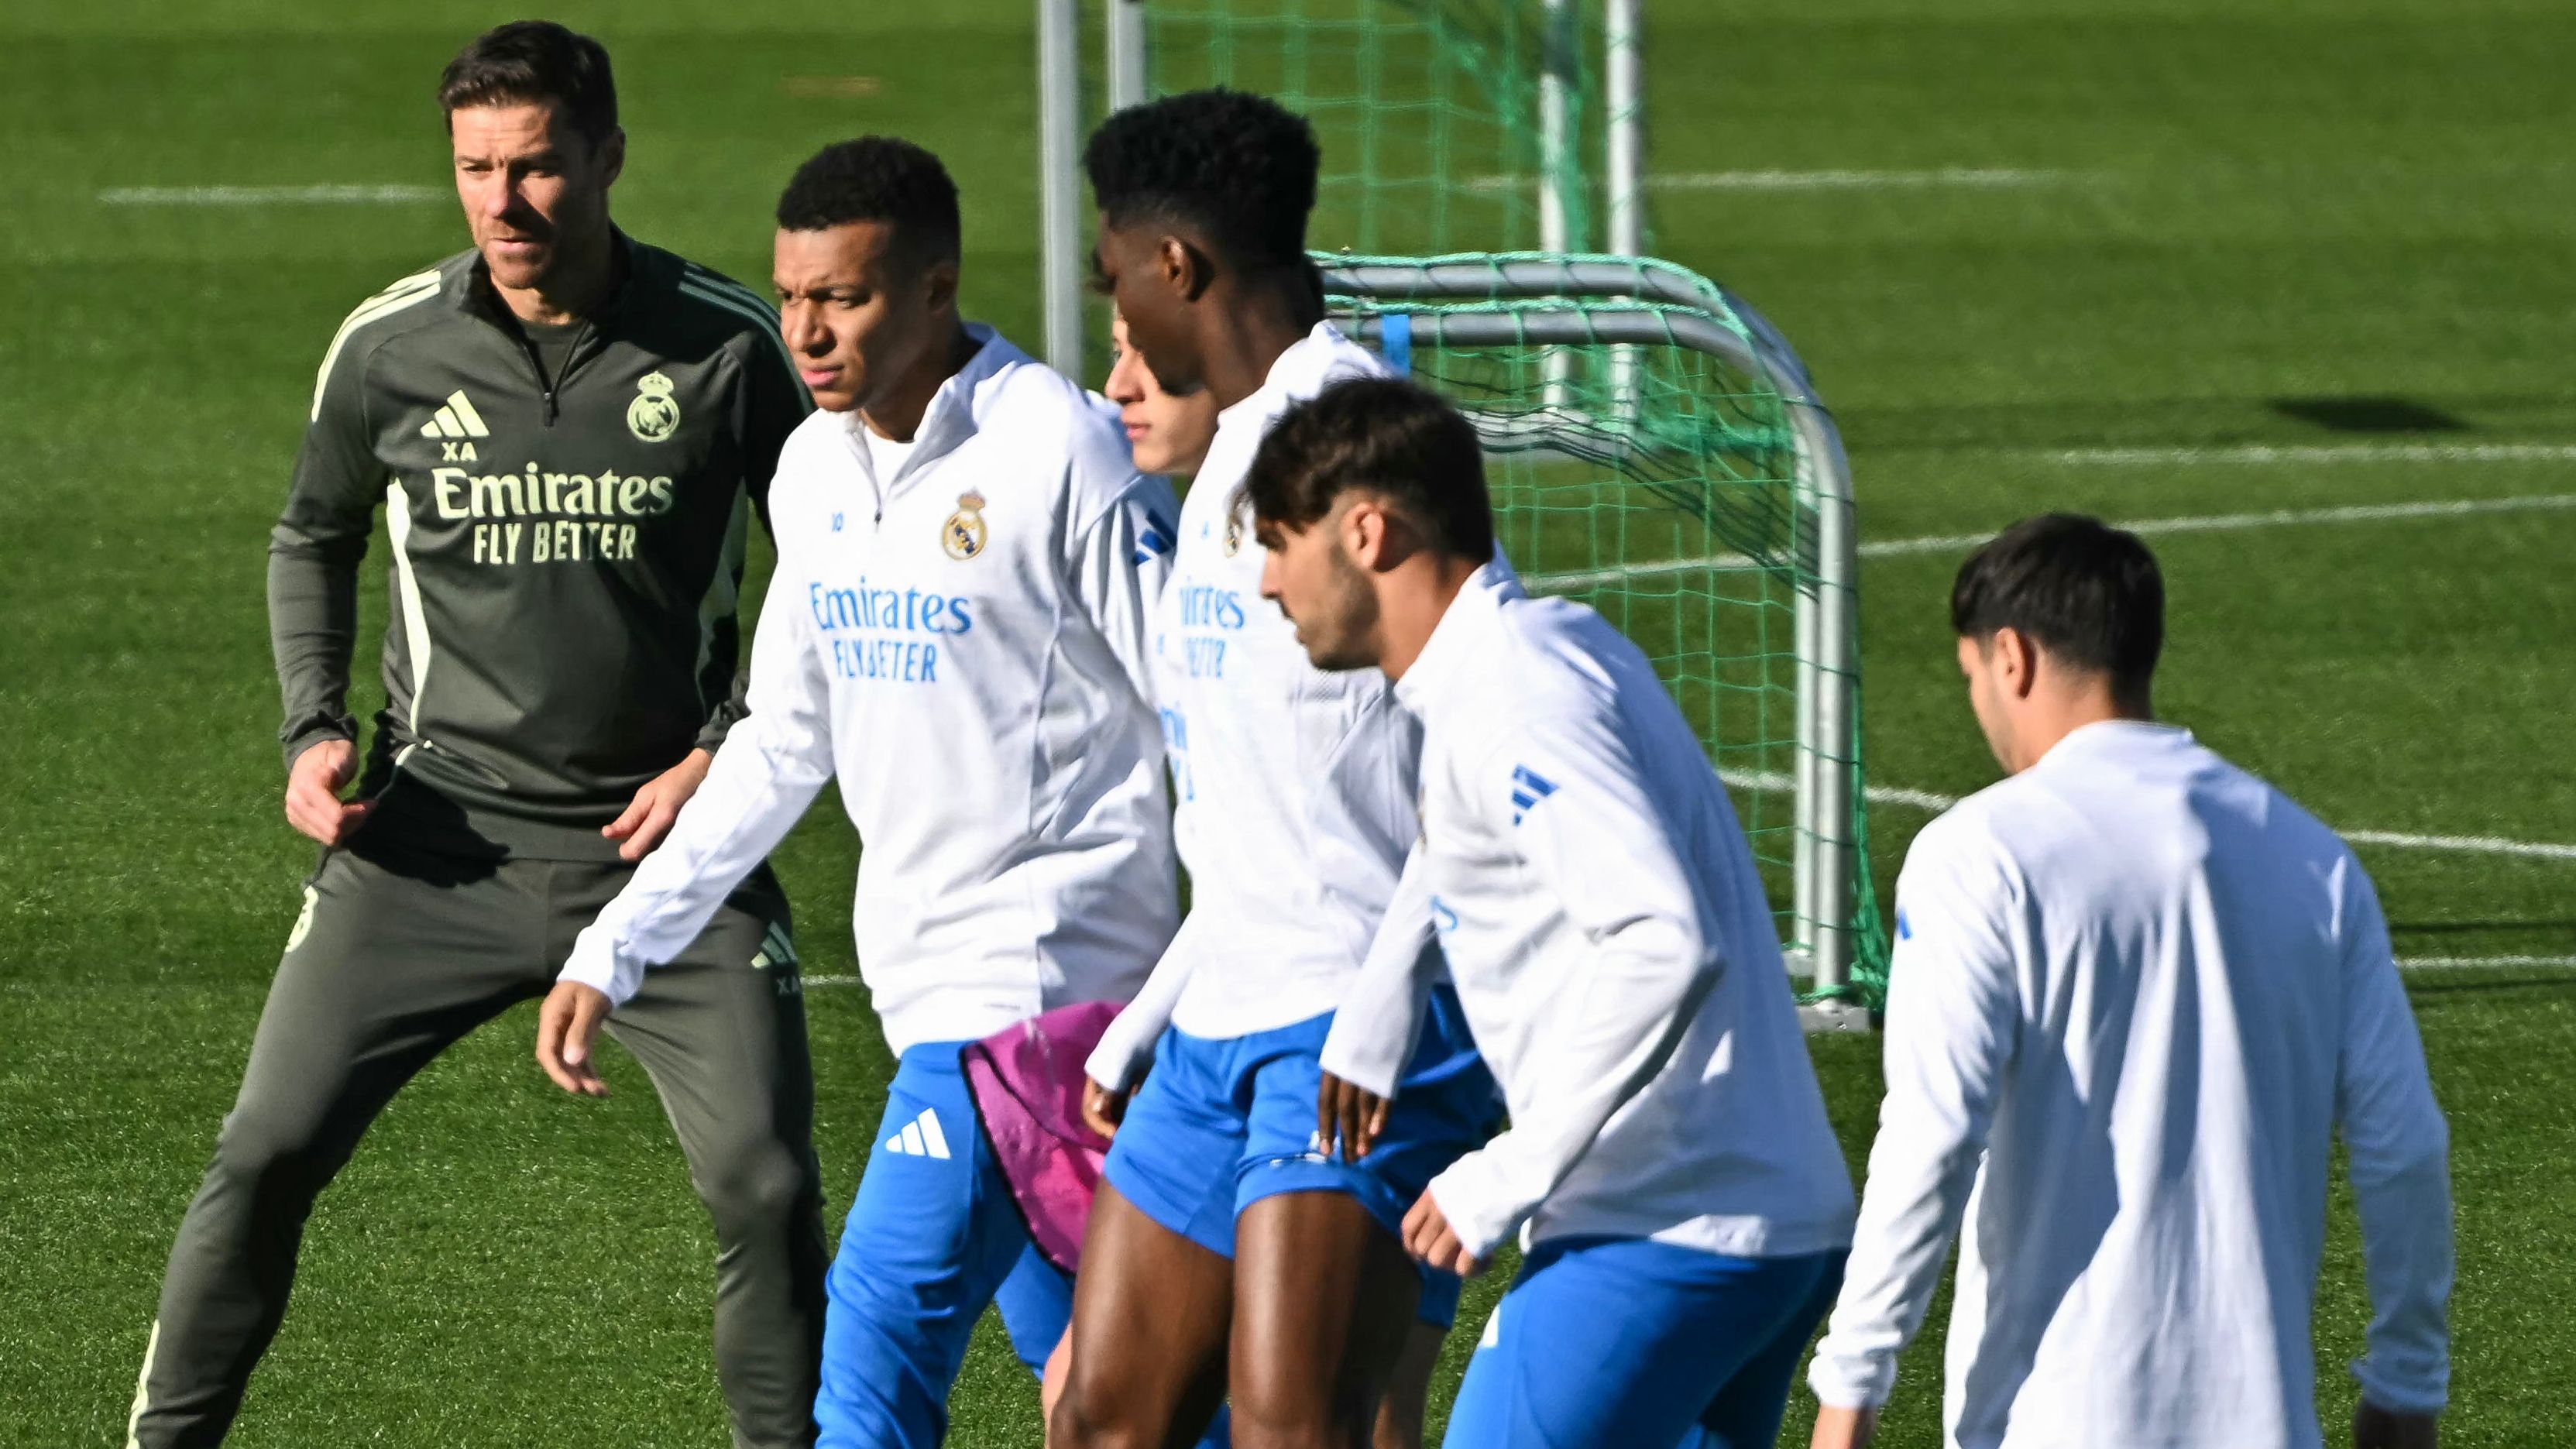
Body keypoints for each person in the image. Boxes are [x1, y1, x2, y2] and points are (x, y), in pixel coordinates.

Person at [126, 23, 826, 1448]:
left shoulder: (728, 346)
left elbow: (830, 568)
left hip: (666, 854)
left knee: (763, 1177)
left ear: (608, 159)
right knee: (262, 1152)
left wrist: (729, 750)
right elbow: (310, 536)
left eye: (537, 168)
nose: (504, 204)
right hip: (432, 842)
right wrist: (312, 732)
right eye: (475, 169)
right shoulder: (389, 349)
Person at [532, 136, 1184, 1449]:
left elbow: (1195, 701)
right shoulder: (816, 470)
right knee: (1119, 1402)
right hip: (930, 995)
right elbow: (784, 735)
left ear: (936, 288)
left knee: (869, 1372)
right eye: (791, 297)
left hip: (1040, 1001)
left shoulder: (1056, 447)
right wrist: (620, 942)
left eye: (844, 298)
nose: (807, 332)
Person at [1246, 377, 1856, 1449]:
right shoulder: (1545, 648)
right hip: (1771, 1223)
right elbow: (1464, 839)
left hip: (1660, 1229)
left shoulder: (1510, 699)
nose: (1264, 583)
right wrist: (1381, 1004)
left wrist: (1508, 1169)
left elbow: (1664, 939)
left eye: (1278, 541)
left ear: (1366, 532)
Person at [1051, 91, 1500, 1449]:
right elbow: (1256, 809)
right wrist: (1154, 1013)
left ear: (1172, 266)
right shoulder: (1222, 460)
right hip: (1219, 1024)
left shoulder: (1358, 438)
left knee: (1296, 1428)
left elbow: (1489, 733)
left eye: (1112, 266)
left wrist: (1380, 1003)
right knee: (1100, 1419)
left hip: (1354, 1025)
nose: (1109, 301)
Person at [1805, 514, 2454, 1449]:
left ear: (2010, 657)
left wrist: (1847, 1397)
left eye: (1970, 681)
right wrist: (2404, 1382)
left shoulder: (1977, 855)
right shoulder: (2312, 859)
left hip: (2046, 1418)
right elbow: (2403, 1143)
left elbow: (1932, 1132)